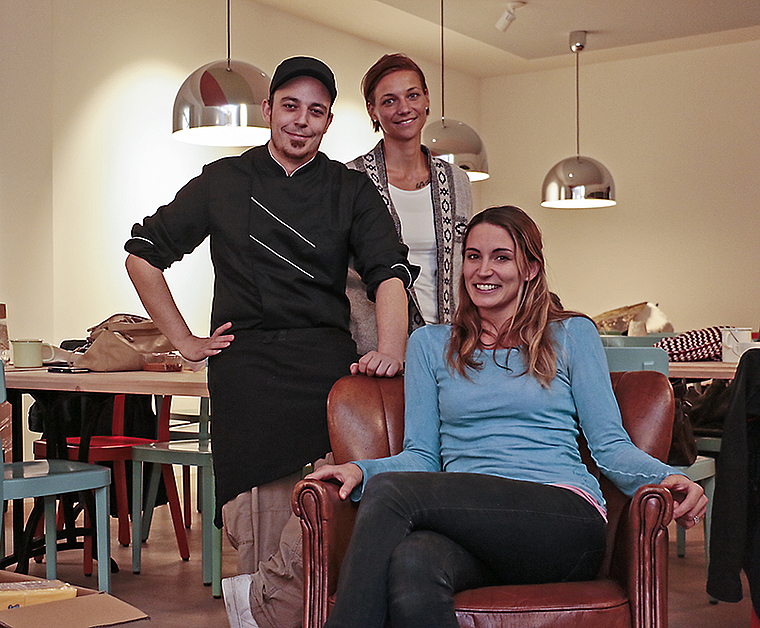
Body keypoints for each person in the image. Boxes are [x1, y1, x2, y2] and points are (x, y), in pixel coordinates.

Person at [309, 205, 708, 628]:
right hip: (473, 533)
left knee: (391, 494)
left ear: (531, 267)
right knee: (414, 561)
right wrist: (359, 469)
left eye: (501, 256)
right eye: (473, 256)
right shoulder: (429, 344)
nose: (484, 269)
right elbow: (422, 457)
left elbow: (609, 445)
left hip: (561, 522)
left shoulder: (571, 334)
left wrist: (664, 477)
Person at [124, 56, 417, 628]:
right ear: (268, 110)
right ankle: (262, 610)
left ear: (328, 122)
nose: (301, 122)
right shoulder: (223, 181)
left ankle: (252, 609)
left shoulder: (350, 189)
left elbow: (390, 273)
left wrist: (393, 348)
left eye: (316, 112)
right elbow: (143, 252)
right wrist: (182, 339)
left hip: (327, 380)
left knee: (326, 529)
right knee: (259, 526)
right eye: (290, 107)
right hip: (249, 377)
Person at [346, 53, 472, 353]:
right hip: (374, 350)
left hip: (451, 346)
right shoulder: (349, 179)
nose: (404, 108)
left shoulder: (458, 181)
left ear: (426, 99)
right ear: (372, 110)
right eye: (389, 100)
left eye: (412, 95)